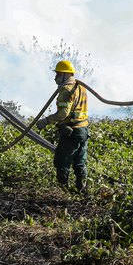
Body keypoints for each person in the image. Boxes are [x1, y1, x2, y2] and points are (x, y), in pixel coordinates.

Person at [36, 60, 89, 191]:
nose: (55, 77)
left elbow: (63, 113)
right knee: (80, 163)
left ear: (66, 75)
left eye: (58, 74)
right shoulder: (81, 87)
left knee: (62, 162)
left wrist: (46, 121)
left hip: (71, 132)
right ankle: (81, 190)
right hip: (83, 131)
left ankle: (62, 191)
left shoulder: (66, 89)